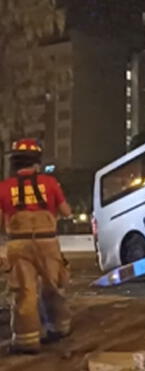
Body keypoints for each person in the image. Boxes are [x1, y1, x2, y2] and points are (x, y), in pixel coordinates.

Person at [0, 138, 72, 355]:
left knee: (24, 291)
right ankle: (59, 328)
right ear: (36, 162)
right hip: (47, 242)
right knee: (53, 286)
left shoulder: (4, 188)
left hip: (18, 244)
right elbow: (67, 211)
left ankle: (26, 340)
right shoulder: (50, 183)